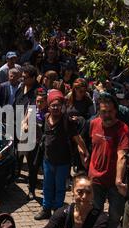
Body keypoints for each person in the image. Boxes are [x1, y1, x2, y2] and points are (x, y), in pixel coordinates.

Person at [34, 90, 89, 220]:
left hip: (63, 161)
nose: (55, 108)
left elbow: (77, 138)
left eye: (58, 105)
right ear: (48, 106)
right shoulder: (46, 117)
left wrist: (85, 152)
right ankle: (46, 209)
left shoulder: (67, 121)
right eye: (53, 105)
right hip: (48, 160)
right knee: (47, 186)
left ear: (62, 106)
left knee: (59, 188)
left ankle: (58, 212)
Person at [88, 93, 129, 228]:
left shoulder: (122, 129)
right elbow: (90, 145)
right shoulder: (93, 124)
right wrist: (85, 156)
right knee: (95, 212)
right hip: (96, 179)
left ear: (116, 111)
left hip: (115, 182)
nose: (106, 115)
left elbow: (122, 156)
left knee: (115, 214)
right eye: (103, 111)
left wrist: (119, 180)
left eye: (110, 111)